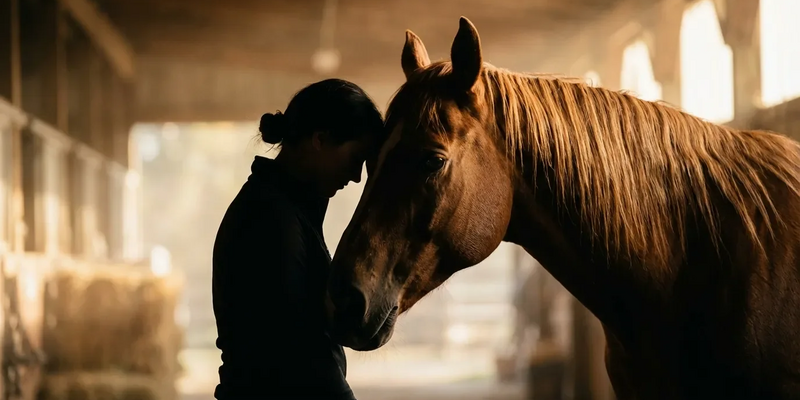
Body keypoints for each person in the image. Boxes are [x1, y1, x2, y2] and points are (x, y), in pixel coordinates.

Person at [212, 78, 385, 400]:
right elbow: (297, 351)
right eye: (355, 158)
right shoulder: (270, 217)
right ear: (319, 140)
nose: (356, 176)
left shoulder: (281, 208)